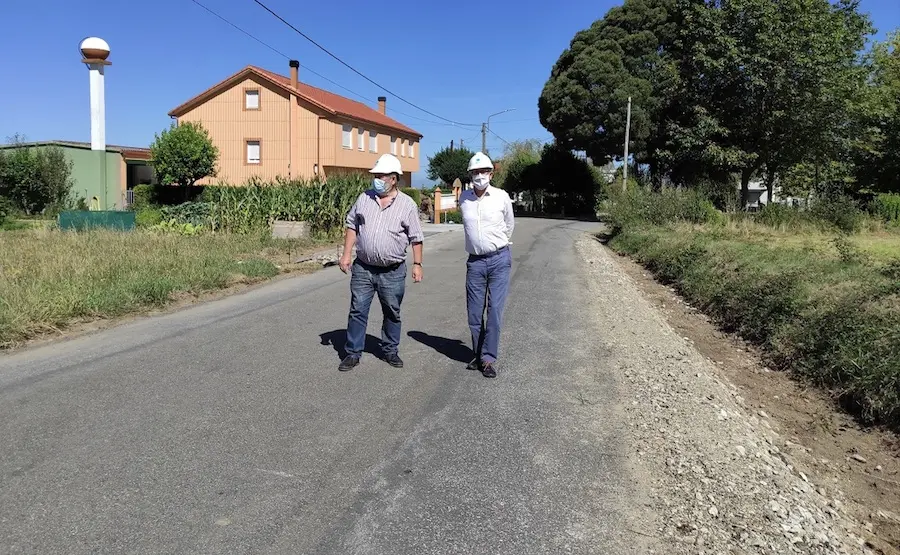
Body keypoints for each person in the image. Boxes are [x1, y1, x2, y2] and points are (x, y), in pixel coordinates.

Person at [338, 154, 424, 371]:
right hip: (363, 267)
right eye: (375, 175)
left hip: (392, 271)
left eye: (380, 176)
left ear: (393, 179)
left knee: (391, 311)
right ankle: (353, 352)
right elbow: (352, 226)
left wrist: (417, 264)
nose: (376, 179)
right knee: (357, 310)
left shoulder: (407, 205)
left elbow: (416, 237)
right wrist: (346, 254)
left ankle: (390, 351)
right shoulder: (364, 198)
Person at [459, 152, 514, 378]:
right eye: (475, 172)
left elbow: (509, 225)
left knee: (494, 312)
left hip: (499, 259)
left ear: (491, 174)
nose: (479, 175)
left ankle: (488, 359)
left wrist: (496, 245)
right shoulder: (464, 198)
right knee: (474, 313)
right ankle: (478, 353)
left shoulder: (501, 196)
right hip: (475, 262)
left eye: (483, 172)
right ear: (470, 175)